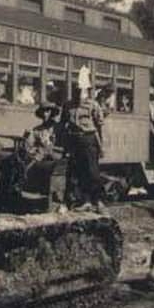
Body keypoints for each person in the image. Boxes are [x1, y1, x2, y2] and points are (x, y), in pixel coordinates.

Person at [60, 71, 106, 214]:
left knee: (92, 171)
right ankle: (81, 201)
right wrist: (63, 144)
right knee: (74, 171)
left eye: (83, 90)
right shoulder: (68, 105)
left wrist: (100, 146)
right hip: (73, 139)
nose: (80, 93)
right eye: (78, 90)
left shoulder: (93, 105)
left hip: (88, 139)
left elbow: (99, 127)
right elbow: (63, 124)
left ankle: (97, 201)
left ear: (88, 91)